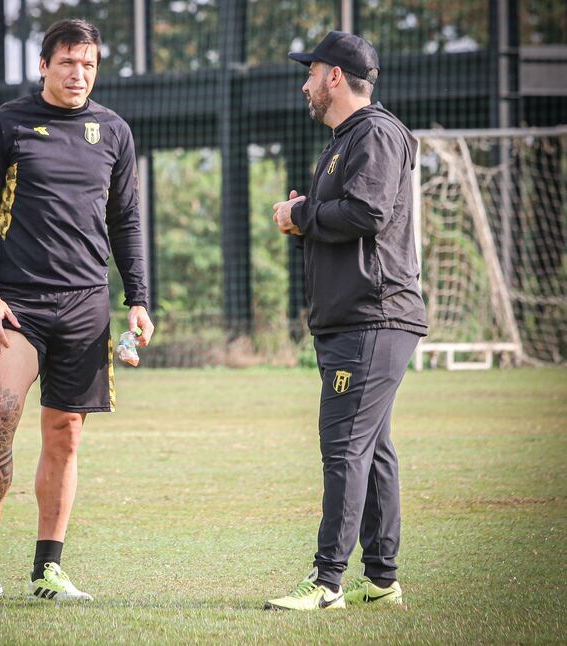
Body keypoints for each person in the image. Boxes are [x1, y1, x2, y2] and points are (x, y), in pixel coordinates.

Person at [0, 18, 154, 606]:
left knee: (64, 436)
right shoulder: (5, 125)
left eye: (88, 64)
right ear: (43, 66)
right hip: (17, 305)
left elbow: (127, 222)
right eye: (67, 62)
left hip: (86, 305)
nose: (78, 74)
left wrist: (137, 298)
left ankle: (48, 570)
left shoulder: (113, 131)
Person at [265, 31, 427, 611]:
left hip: (373, 319)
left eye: (309, 73)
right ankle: (381, 580)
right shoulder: (343, 141)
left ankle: (327, 583)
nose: (304, 83)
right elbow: (341, 222)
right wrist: (300, 219)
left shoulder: (376, 133)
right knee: (372, 448)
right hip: (351, 321)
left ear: (334, 76)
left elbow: (367, 211)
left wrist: (301, 213)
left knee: (344, 450)